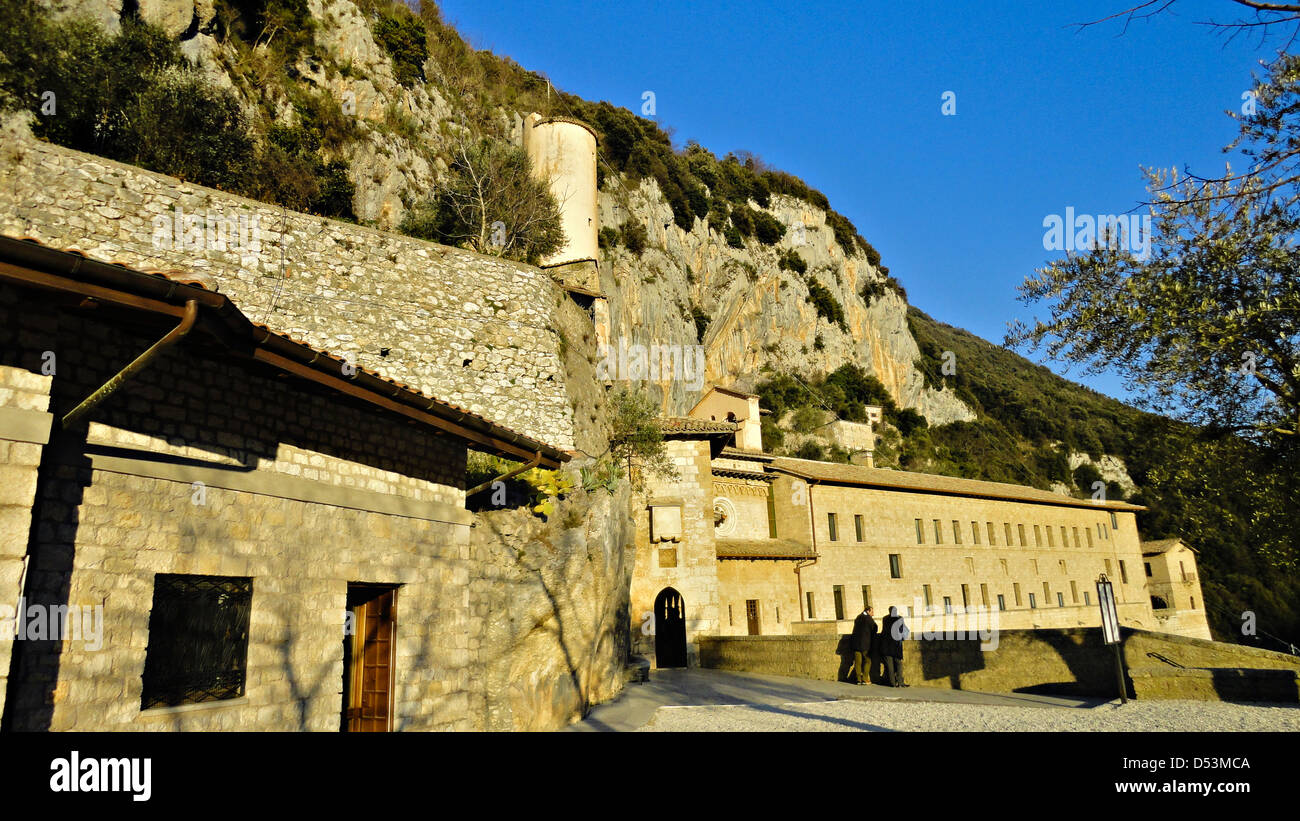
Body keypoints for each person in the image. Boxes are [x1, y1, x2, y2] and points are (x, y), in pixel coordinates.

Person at [879, 605, 910, 687]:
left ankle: (892, 683)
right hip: (896, 645)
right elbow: (903, 630)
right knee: (898, 664)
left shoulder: (885, 619)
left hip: (886, 645)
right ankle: (900, 682)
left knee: (889, 666)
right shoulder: (899, 618)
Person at [850, 605, 877, 684]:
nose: (873, 614)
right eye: (872, 611)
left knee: (858, 662)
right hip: (865, 644)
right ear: (868, 611)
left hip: (855, 644)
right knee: (868, 661)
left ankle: (858, 679)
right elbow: (875, 628)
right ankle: (865, 679)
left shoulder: (858, 617)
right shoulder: (868, 619)